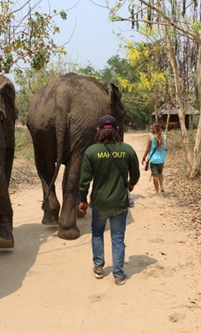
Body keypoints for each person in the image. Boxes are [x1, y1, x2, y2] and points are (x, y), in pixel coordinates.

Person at [78, 114, 140, 286]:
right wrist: (131, 184)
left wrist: (82, 199)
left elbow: (84, 181)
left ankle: (98, 267)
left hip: (99, 203)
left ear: (97, 130)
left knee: (97, 234)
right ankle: (118, 275)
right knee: (118, 238)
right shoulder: (127, 150)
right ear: (117, 130)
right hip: (120, 204)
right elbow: (135, 174)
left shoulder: (91, 152)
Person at [141, 123, 167, 195]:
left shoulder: (151, 137)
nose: (150, 129)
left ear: (154, 129)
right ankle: (161, 186)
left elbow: (147, 149)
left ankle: (157, 192)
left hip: (153, 160)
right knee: (160, 173)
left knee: (155, 176)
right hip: (161, 159)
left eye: (152, 128)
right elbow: (167, 148)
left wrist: (144, 158)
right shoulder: (164, 136)